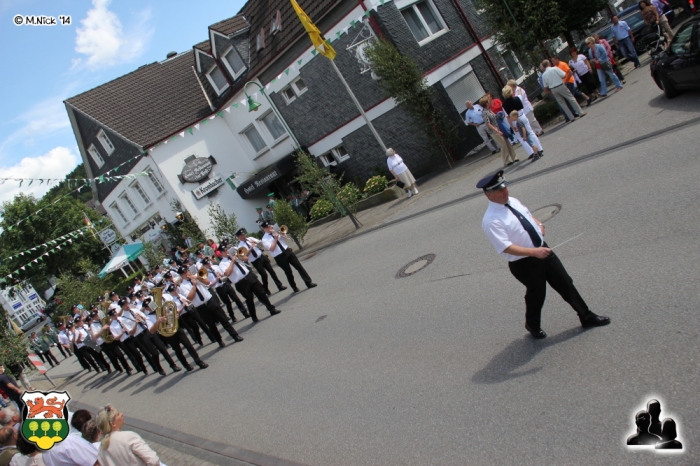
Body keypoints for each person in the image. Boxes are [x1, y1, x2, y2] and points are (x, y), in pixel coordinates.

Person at [477, 171, 610, 339]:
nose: (505, 192)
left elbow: (527, 215)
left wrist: (539, 223)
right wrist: (534, 252)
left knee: (565, 283)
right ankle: (532, 325)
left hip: (543, 250)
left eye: (505, 188)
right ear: (489, 195)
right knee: (537, 294)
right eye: (499, 191)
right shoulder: (491, 220)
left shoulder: (512, 201)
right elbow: (505, 247)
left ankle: (586, 316)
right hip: (524, 263)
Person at [177, 266, 244, 349]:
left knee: (223, 319)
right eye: (184, 273)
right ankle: (219, 340)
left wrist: (197, 278)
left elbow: (207, 282)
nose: (186, 274)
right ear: (181, 275)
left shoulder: (197, 276)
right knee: (211, 325)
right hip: (201, 307)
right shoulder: (182, 286)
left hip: (210, 300)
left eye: (187, 271)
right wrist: (194, 286)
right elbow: (190, 298)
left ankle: (235, 335)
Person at [220, 247, 281, 323]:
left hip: (249, 276)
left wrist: (237, 256)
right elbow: (227, 273)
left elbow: (246, 258)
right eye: (224, 250)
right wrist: (232, 261)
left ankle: (272, 309)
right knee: (249, 299)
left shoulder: (235, 256)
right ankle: (254, 316)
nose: (226, 251)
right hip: (241, 283)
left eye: (227, 249)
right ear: (221, 253)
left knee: (261, 293)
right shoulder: (222, 263)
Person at [144, 301, 206, 372]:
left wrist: (176, 315)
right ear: (147, 309)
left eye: (152, 304)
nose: (151, 307)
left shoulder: (164, 308)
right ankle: (186, 365)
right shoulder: (148, 317)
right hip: (167, 334)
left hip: (177, 329)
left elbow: (176, 313)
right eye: (149, 306)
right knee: (178, 350)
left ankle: (199, 361)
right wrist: (158, 321)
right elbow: (151, 331)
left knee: (189, 345)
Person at [261, 221, 317, 293]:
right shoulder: (264, 239)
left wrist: (280, 233)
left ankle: (308, 283)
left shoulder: (275, 232)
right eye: (267, 227)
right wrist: (275, 238)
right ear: (264, 229)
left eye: (269, 226)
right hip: (279, 256)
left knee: (299, 267)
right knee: (288, 272)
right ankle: (294, 287)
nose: (269, 228)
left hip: (287, 251)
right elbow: (271, 249)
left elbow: (286, 237)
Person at [96, 406, 160, 466]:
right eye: (118, 414)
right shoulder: (129, 437)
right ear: (112, 424)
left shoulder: (101, 450)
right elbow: (153, 461)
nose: (121, 414)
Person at [235, 229, 286, 295]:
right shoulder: (240, 246)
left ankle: (279, 285)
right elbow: (244, 256)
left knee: (271, 271)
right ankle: (265, 288)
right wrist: (250, 248)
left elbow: (261, 243)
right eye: (242, 235)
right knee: (264, 275)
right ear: (239, 237)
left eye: (244, 234)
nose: (244, 236)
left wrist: (256, 243)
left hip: (262, 257)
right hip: (255, 261)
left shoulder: (250, 238)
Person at [107, 307, 150, 376]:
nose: (115, 316)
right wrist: (122, 332)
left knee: (145, 351)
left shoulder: (123, 318)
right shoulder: (112, 326)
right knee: (137, 355)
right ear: (111, 317)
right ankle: (143, 368)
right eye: (113, 316)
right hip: (126, 341)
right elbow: (116, 338)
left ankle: (154, 366)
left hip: (133, 336)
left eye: (115, 314)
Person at [204, 257, 248, 322]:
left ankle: (245, 312)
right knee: (228, 303)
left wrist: (221, 275)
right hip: (219, 288)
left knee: (236, 298)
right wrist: (216, 279)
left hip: (225, 284)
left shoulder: (216, 267)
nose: (209, 264)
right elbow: (210, 284)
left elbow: (224, 274)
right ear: (204, 265)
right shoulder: (205, 273)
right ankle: (232, 316)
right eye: (207, 264)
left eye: (209, 263)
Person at [478, 96, 517, 168]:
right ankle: (506, 161)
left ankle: (514, 157)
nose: (490, 102)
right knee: (503, 145)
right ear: (486, 103)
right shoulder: (484, 113)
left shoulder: (489, 110)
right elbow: (488, 124)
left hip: (499, 129)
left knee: (507, 143)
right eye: (488, 101)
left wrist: (498, 116)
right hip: (494, 131)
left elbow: (494, 117)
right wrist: (497, 131)